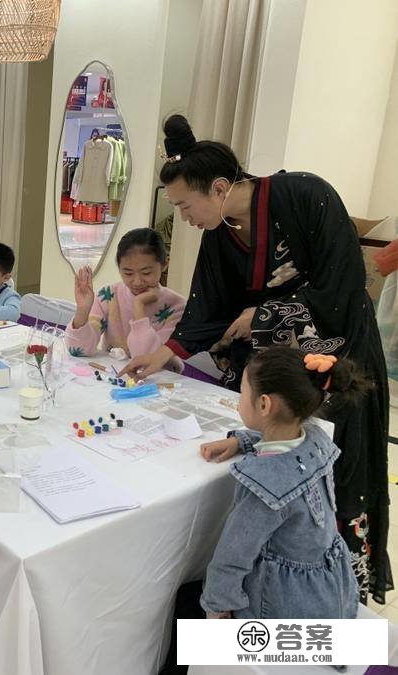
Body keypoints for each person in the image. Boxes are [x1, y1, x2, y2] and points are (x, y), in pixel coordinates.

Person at [120, 115, 391, 604]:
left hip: (334, 352)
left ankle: (326, 581)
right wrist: (163, 354)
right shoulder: (221, 235)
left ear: (219, 187)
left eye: (185, 204)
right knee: (269, 454)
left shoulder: (306, 196)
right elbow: (209, 307)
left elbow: (343, 282)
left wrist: (265, 312)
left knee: (329, 463)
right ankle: (257, 580)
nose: (182, 216)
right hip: (270, 368)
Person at [198, 347, 364, 619]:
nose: (240, 401)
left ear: (264, 404)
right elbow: (282, 439)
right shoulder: (316, 437)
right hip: (332, 590)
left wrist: (216, 608)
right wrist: (240, 440)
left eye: (242, 394)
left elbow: (230, 560)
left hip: (282, 606)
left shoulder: (263, 485)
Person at [65, 228, 185, 358]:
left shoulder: (177, 307)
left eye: (146, 273)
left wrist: (138, 307)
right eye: (128, 273)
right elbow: (77, 350)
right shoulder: (109, 295)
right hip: (114, 375)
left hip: (158, 377)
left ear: (165, 264)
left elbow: (147, 360)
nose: (137, 282)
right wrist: (82, 310)